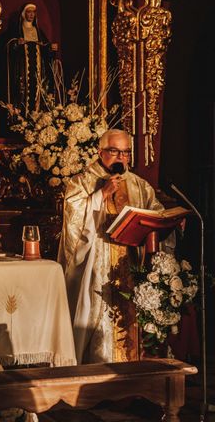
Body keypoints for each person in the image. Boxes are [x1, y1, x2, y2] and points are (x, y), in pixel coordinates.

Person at [58, 129, 170, 364]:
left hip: (130, 262)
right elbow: (74, 222)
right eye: (114, 151)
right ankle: (96, 369)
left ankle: (132, 374)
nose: (121, 157)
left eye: (126, 152)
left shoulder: (139, 185)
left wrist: (169, 220)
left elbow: (156, 211)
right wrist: (100, 196)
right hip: (97, 266)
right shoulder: (82, 181)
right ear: (100, 152)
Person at [7, 3, 57, 113]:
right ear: (24, 14)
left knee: (38, 91)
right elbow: (8, 46)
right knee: (22, 92)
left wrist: (51, 47)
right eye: (29, 12)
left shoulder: (38, 31)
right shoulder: (17, 30)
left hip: (37, 69)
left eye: (33, 12)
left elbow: (45, 48)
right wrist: (17, 43)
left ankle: (37, 115)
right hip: (22, 70)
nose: (31, 15)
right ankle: (21, 117)